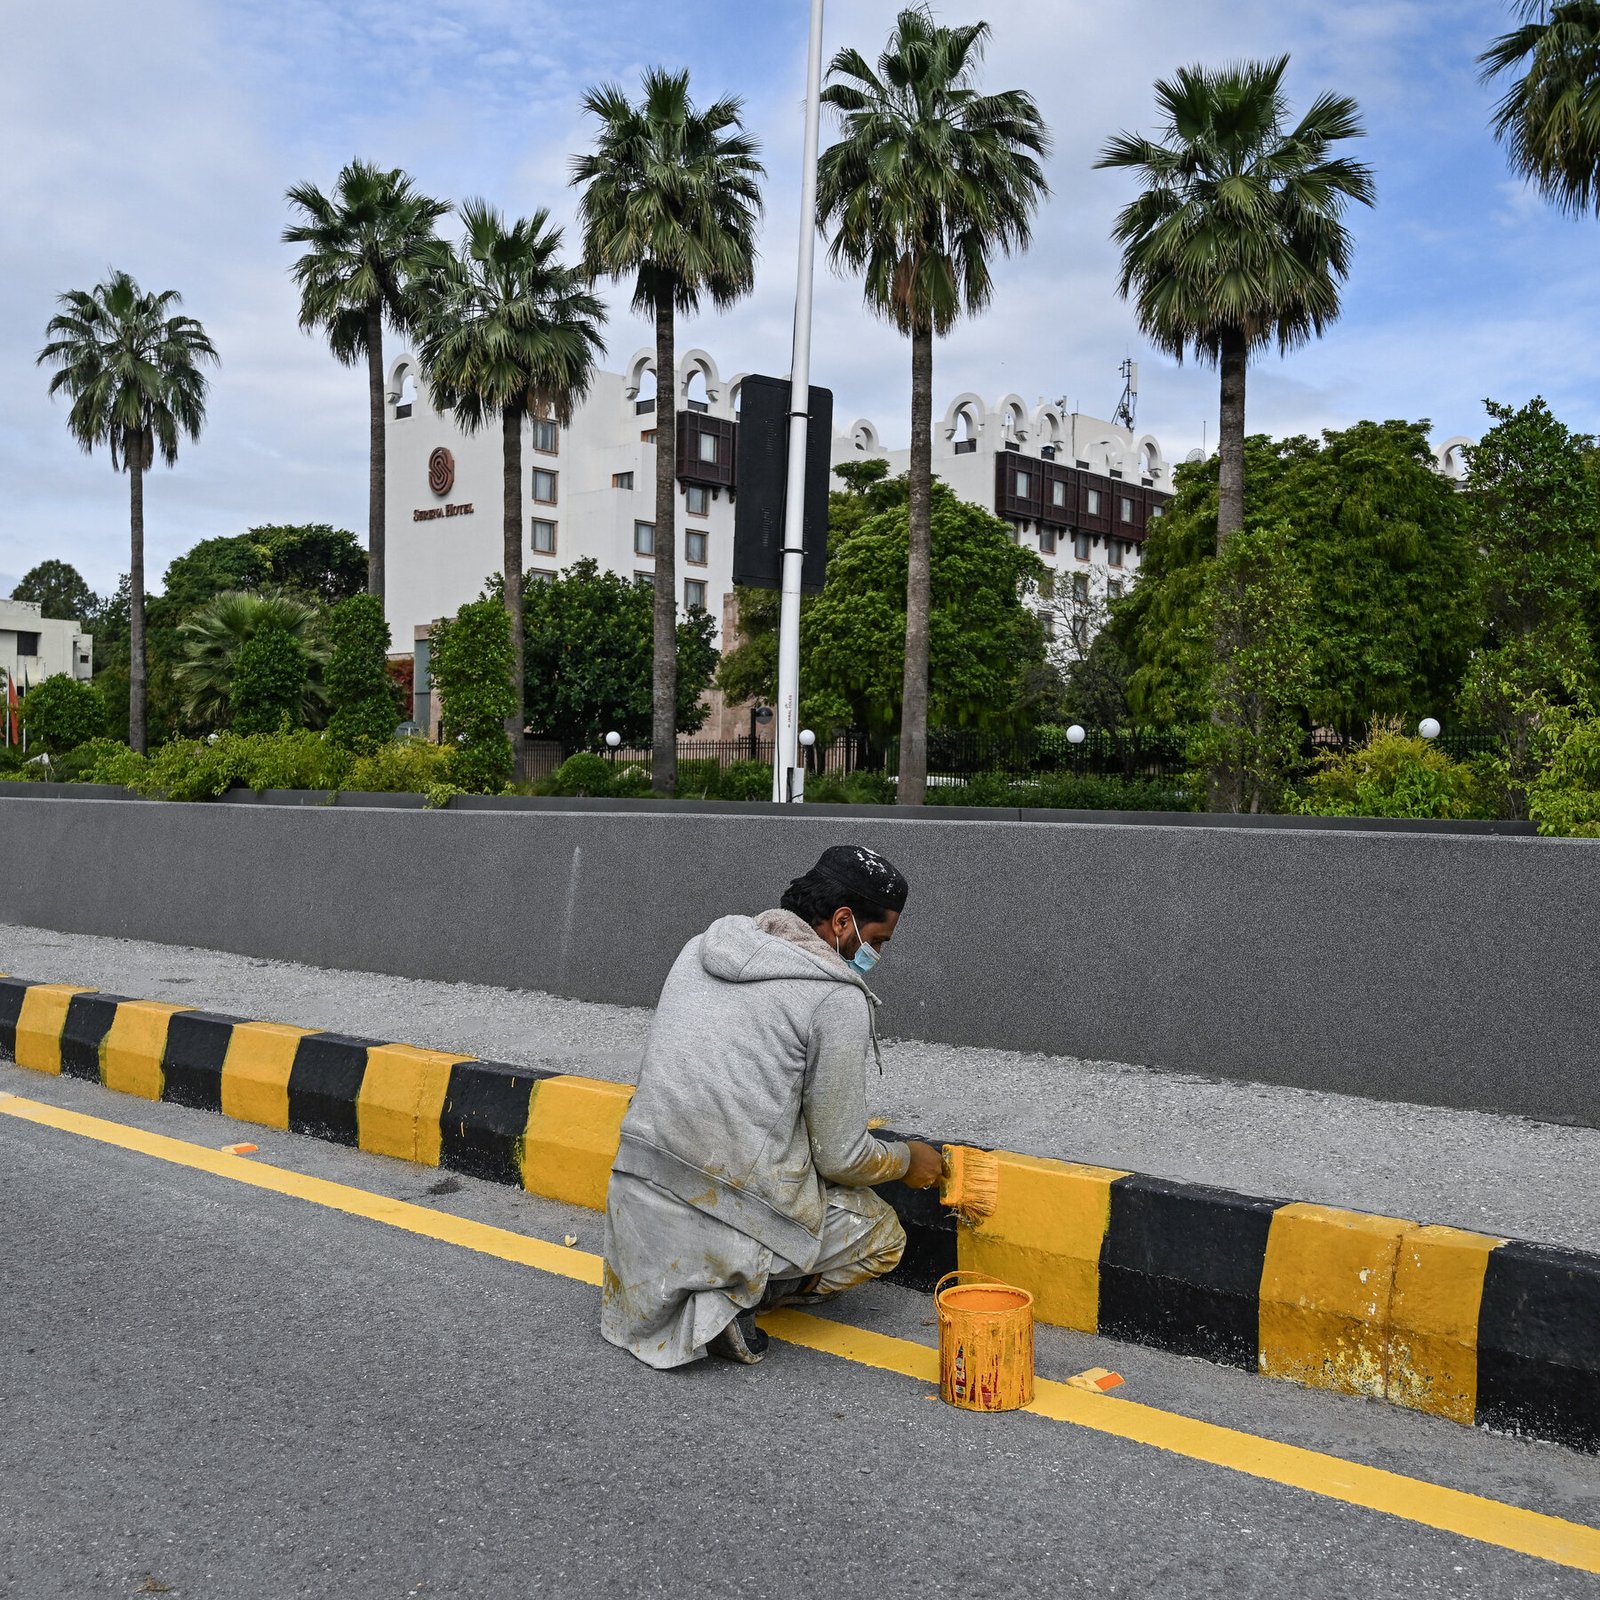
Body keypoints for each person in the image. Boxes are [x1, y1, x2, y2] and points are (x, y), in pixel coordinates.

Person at [601, 844, 945, 1368]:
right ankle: (728, 1301)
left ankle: (699, 1284)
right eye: (877, 941)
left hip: (633, 1202)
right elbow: (841, 1157)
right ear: (843, 922)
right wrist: (905, 1160)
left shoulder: (700, 948)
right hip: (720, 1212)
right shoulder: (836, 999)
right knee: (882, 1236)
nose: (876, 955)